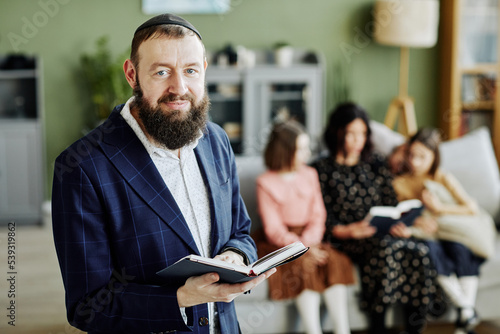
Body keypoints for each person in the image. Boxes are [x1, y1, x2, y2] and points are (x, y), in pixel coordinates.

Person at [51, 14, 274, 334]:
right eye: (161, 71)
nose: (179, 88)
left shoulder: (216, 140)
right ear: (132, 74)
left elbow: (240, 230)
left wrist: (236, 257)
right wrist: (182, 298)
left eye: (190, 71)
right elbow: (87, 307)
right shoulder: (82, 168)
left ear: (204, 70)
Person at [311, 102, 440, 334]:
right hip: (347, 238)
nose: (357, 140)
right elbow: (317, 216)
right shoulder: (320, 170)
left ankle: (415, 328)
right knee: (384, 250)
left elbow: (391, 204)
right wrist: (347, 230)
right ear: (337, 132)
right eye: (351, 133)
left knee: (419, 250)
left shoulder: (375, 164)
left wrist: (403, 223)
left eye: (362, 133)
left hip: (382, 232)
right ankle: (377, 326)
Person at [255, 120, 355, 334]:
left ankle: (342, 329)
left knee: (331, 261)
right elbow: (274, 230)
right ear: (285, 150)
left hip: (312, 238)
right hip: (283, 245)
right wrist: (301, 249)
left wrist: (310, 243)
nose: (307, 153)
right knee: (301, 267)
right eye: (301, 149)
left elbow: (318, 215)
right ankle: (313, 330)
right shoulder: (265, 182)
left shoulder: (310, 174)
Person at [392, 128, 487, 334]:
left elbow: (471, 207)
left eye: (422, 156)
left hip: (450, 231)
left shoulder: (442, 178)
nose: (415, 162)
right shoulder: (399, 183)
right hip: (426, 236)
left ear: (434, 156)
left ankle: (464, 314)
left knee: (460, 249)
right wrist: (415, 224)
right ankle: (466, 311)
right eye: (411, 155)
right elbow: (400, 213)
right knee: (431, 251)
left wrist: (438, 209)